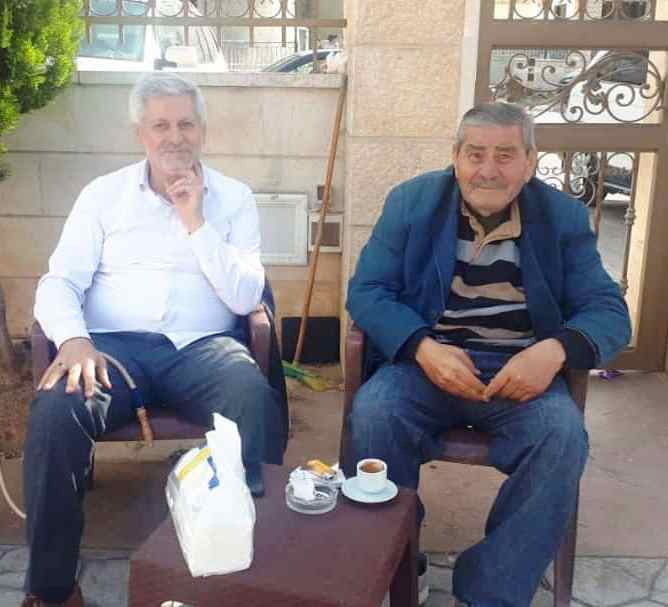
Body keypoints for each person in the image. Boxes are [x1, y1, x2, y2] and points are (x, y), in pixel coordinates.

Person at [346, 102, 631, 607]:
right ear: (456, 157)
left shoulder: (562, 217)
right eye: (475, 154)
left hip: (519, 375)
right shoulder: (411, 203)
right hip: (426, 367)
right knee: (375, 412)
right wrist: (422, 347)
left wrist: (554, 351)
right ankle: (398, 559)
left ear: (530, 161)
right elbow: (367, 291)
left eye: (505, 155)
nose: (488, 170)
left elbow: (609, 312)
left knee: (562, 436)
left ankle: (490, 590)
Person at [21, 73, 286, 607]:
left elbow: (244, 297)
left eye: (186, 123)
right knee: (54, 414)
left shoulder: (234, 198)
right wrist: (73, 340)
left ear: (203, 130)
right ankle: (52, 590)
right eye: (160, 125)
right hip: (111, 351)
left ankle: (249, 577)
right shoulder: (103, 195)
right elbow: (60, 281)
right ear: (140, 133)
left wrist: (196, 221)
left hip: (203, 349)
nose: (174, 137)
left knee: (253, 400)